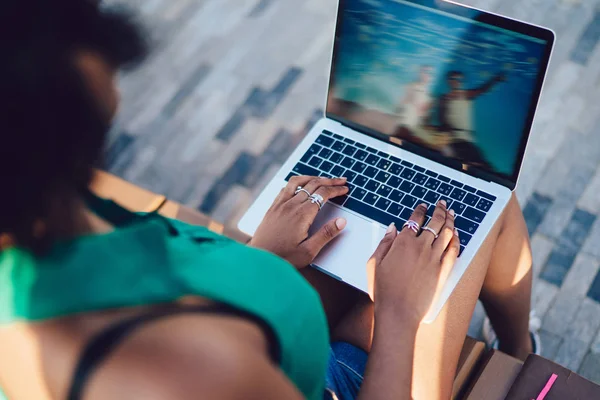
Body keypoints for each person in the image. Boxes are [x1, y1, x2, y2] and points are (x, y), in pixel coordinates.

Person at [0, 2, 537, 400]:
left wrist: (261, 258)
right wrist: (399, 314)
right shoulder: (173, 372)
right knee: (479, 216)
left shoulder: (44, 231)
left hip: (269, 333)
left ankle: (506, 344)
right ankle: (520, 352)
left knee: (379, 233)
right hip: (313, 381)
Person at [436, 70, 506, 168]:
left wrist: (496, 80)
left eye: (460, 79)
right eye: (454, 79)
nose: (457, 81)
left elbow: (483, 89)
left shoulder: (467, 94)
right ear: (448, 81)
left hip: (467, 141)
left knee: (484, 167)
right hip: (453, 141)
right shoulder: (443, 99)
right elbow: (442, 120)